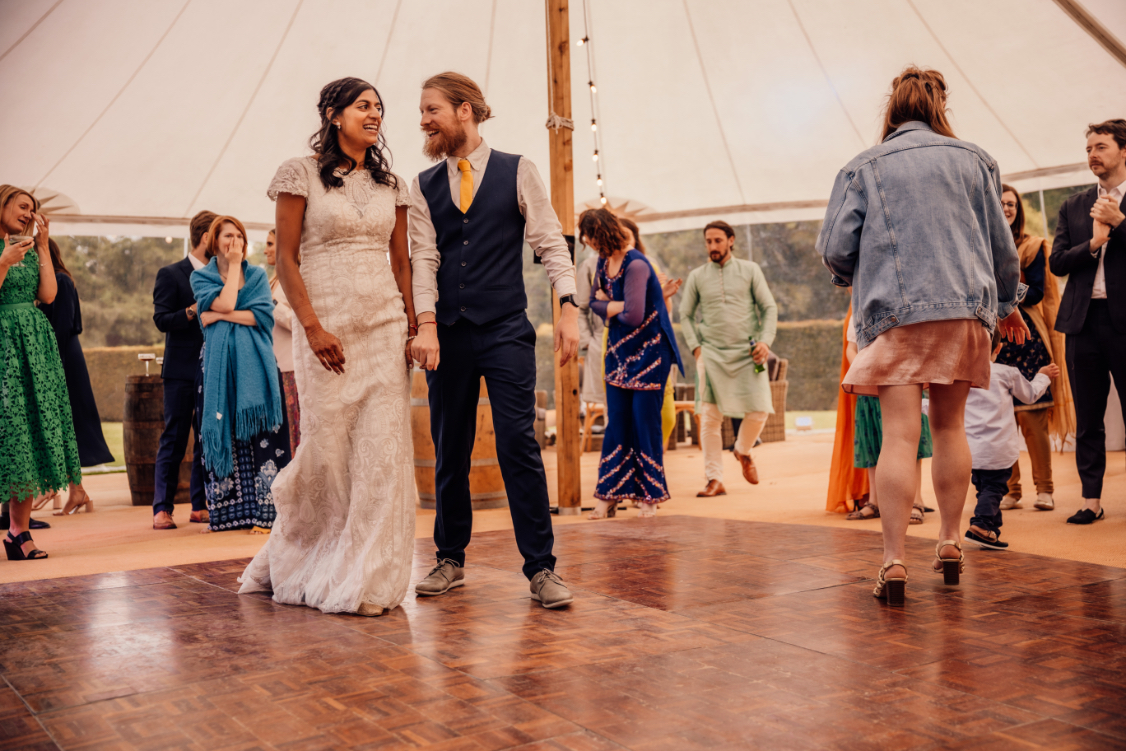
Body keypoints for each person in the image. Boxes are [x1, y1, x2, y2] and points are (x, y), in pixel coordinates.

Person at [817, 66, 1025, 606]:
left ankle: (893, 561)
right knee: (951, 427)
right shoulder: (976, 160)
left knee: (899, 437)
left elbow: (834, 249)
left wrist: (859, 275)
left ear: (892, 108)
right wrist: (1007, 305)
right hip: (964, 312)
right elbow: (1002, 247)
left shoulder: (863, 166)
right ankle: (950, 542)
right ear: (939, 107)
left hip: (895, 315)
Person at [239, 77, 417, 617]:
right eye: (363, 106)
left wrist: (414, 327)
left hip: (384, 327)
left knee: (382, 453)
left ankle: (367, 577)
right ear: (334, 115)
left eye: (379, 107)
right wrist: (313, 328)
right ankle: (310, 554)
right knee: (329, 453)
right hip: (326, 332)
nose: (375, 114)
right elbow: (286, 259)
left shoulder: (393, 185)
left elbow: (402, 261)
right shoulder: (300, 174)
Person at [409, 72, 578, 609]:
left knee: (518, 444)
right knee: (450, 449)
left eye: (431, 109)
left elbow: (550, 241)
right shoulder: (422, 184)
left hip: (506, 330)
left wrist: (569, 307)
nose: (423, 120)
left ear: (465, 110)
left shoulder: (517, 170)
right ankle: (449, 558)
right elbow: (424, 259)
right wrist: (427, 324)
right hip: (448, 336)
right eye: (422, 111)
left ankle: (541, 568)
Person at [581, 209, 683, 519]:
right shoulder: (603, 263)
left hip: (649, 355)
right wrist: (615, 305)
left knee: (645, 423)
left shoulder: (637, 264)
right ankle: (608, 495)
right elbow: (593, 303)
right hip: (618, 352)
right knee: (617, 424)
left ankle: (649, 498)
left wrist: (608, 304)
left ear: (601, 235)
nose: (589, 244)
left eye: (591, 238)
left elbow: (635, 316)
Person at [191, 216, 290, 533]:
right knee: (226, 432)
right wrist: (233, 269)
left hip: (255, 366)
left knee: (261, 435)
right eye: (228, 236)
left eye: (239, 237)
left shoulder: (257, 275)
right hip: (218, 369)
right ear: (214, 241)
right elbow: (229, 301)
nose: (235, 242)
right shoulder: (201, 277)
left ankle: (266, 512)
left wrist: (217, 315)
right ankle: (230, 514)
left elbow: (262, 317)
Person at [1049, 119, 1126, 526]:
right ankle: (1091, 500)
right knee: (1088, 418)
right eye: (1089, 149)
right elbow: (1057, 262)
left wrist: (1120, 223)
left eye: (1101, 147)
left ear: (1124, 151)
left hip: (1125, 324)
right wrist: (1094, 243)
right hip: (1081, 324)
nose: (1093, 155)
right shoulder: (1073, 205)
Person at [0, 185, 81, 560]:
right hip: (3, 342)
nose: (28, 213)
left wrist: (44, 246)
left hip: (33, 346)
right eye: (22, 206)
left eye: (31, 209)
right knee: (8, 430)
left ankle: (19, 532)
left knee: (27, 432)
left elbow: (48, 295)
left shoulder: (30, 248)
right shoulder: (8, 251)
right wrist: (4, 261)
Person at [679, 219, 777, 496]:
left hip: (748, 353)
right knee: (710, 417)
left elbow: (768, 308)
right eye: (708, 242)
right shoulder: (697, 275)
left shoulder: (750, 270)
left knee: (760, 408)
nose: (712, 246)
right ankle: (714, 479)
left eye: (718, 241)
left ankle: (742, 450)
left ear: (731, 241)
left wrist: (765, 341)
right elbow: (685, 314)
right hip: (710, 354)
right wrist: (696, 348)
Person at [996, 185, 1073, 513]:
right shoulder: (980, 245)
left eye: (1011, 204)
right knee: (1000, 419)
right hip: (994, 339)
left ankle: (1045, 489)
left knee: (1032, 417)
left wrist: (1001, 290)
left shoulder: (1032, 246)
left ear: (1019, 210)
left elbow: (1038, 292)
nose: (1007, 209)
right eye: (1001, 203)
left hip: (1027, 337)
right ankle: (1010, 490)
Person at [37, 238, 114, 515]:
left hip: (63, 357)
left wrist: (49, 364)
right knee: (60, 421)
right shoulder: (41, 284)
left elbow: (62, 326)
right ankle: (75, 490)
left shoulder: (61, 281)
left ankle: (57, 487)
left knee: (70, 421)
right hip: (53, 355)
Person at [151, 210, 216, 530]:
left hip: (214, 368)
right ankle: (161, 509)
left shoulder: (224, 275)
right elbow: (161, 320)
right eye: (220, 235)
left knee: (207, 437)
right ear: (206, 238)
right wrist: (193, 309)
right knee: (174, 438)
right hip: (180, 370)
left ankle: (200, 505)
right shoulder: (170, 274)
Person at [964, 335, 1058, 550]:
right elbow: (1030, 395)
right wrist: (1043, 376)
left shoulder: (963, 376)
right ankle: (981, 524)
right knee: (994, 488)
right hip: (998, 449)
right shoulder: (1006, 373)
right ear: (998, 347)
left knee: (984, 489)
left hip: (972, 450)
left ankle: (991, 532)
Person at [844, 311, 931, 525]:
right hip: (869, 385)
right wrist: (866, 371)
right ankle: (875, 502)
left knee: (910, 442)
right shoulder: (859, 311)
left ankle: (915, 500)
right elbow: (851, 348)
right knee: (871, 442)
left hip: (904, 379)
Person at [620, 217, 681, 448]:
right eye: (618, 237)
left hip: (654, 347)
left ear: (635, 240)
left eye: (627, 237)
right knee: (630, 419)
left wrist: (663, 295)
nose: (623, 242)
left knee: (666, 417)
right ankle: (642, 465)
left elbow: (665, 309)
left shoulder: (650, 265)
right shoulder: (608, 270)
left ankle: (650, 460)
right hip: (624, 350)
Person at [264, 228, 300, 457]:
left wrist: (271, 303)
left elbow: (299, 323)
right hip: (271, 368)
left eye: (270, 244)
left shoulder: (295, 278)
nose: (265, 249)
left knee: (292, 434)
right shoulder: (273, 281)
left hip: (290, 369)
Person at [575, 247, 605, 408]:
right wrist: (588, 342)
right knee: (610, 404)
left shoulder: (645, 262)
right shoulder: (589, 265)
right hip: (600, 343)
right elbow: (579, 308)